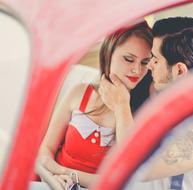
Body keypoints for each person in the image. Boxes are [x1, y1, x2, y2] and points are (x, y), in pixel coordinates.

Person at [99, 17, 193, 190]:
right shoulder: (171, 99)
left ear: (179, 71)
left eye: (155, 58)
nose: (150, 65)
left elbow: (133, 166)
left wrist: (120, 106)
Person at [35, 21, 153, 189]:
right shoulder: (79, 93)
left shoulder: (142, 112)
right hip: (50, 182)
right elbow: (46, 149)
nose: (137, 70)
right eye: (129, 59)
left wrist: (122, 106)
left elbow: (122, 177)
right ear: (108, 54)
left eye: (144, 62)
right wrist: (54, 176)